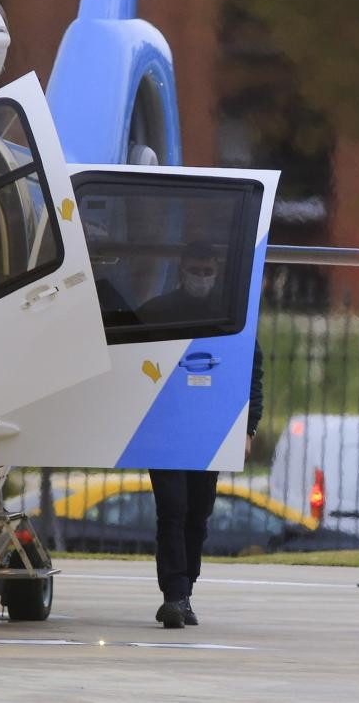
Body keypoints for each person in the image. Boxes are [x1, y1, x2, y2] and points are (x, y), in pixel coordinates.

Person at [141, 243, 264, 628]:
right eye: (196, 270)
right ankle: (175, 594)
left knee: (198, 513)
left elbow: (251, 374)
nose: (202, 278)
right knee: (173, 511)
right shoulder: (158, 313)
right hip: (166, 431)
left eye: (207, 271)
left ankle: (185, 589)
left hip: (209, 431)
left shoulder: (230, 317)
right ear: (181, 271)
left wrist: (248, 427)